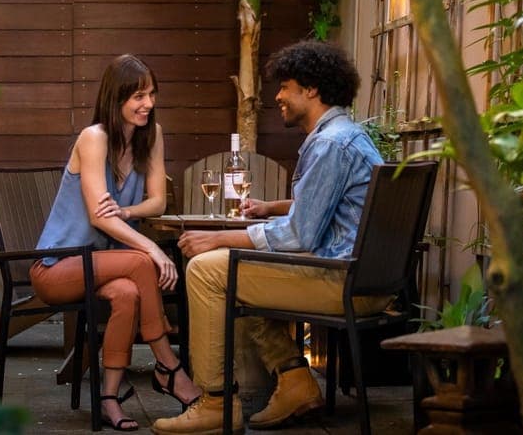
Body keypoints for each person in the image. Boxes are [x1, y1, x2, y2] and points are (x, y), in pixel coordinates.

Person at [151, 40, 386, 435]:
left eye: (285, 87)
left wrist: (219, 240)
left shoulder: (329, 144)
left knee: (208, 271)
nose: (277, 96)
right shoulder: (348, 136)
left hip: (344, 282)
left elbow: (300, 234)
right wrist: (274, 207)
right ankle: (294, 380)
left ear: (311, 89)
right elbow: (331, 207)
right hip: (366, 278)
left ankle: (215, 403)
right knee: (238, 271)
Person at [31, 54, 200, 431]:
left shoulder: (151, 135)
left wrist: (125, 211)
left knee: (127, 292)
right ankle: (169, 367)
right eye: (139, 96)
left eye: (152, 94)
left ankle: (108, 398)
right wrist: (151, 248)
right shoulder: (94, 138)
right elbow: (98, 216)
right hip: (58, 266)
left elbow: (157, 201)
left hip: (106, 264)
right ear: (116, 97)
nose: (148, 104)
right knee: (140, 262)